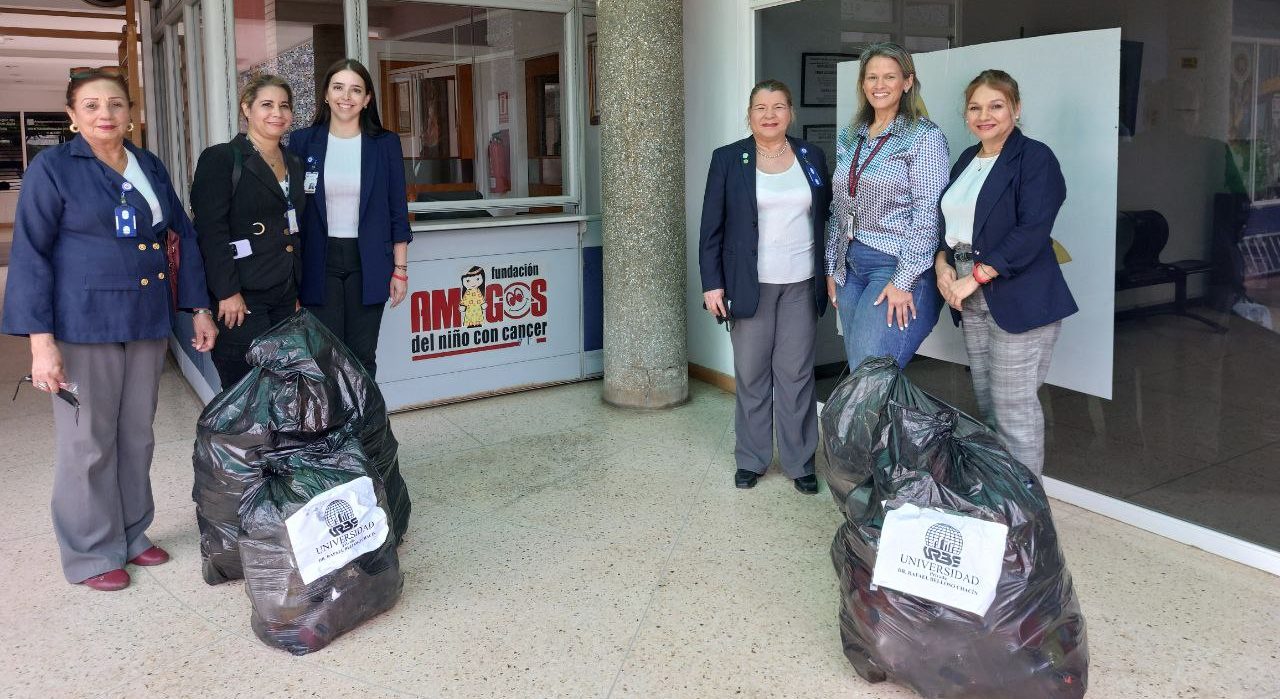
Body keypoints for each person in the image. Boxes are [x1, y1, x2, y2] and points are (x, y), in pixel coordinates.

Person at [1, 69, 218, 591]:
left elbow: (179, 236)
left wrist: (197, 308)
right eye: (92, 105)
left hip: (143, 319)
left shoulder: (147, 163)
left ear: (130, 112)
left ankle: (131, 532)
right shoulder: (54, 169)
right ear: (72, 116)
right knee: (88, 442)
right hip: (82, 325)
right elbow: (31, 254)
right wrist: (41, 342)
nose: (106, 114)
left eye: (116, 104)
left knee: (135, 435)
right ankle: (91, 552)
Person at [934, 69, 1076, 477]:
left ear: (1015, 108)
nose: (985, 115)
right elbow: (955, 227)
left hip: (1018, 295)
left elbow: (1032, 232)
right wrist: (943, 265)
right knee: (989, 404)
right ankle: (1001, 496)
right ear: (966, 114)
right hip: (969, 293)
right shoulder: (967, 158)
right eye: (975, 107)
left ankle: (1027, 515)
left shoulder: (1035, 158)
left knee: (1014, 409)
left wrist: (973, 276)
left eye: (996, 106)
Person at [699, 79, 832, 494]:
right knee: (752, 374)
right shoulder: (728, 159)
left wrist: (831, 271)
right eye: (761, 107)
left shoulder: (811, 155)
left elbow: (827, 218)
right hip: (748, 284)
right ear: (750, 114)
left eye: (778, 106)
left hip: (800, 282)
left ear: (790, 112)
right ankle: (752, 459)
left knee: (795, 375)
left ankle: (799, 461)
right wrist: (712, 284)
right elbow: (711, 228)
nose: (770, 114)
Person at [825, 42, 949, 369]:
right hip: (850, 267)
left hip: (895, 265)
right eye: (871, 77)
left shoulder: (924, 136)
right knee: (861, 374)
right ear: (863, 84)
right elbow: (838, 206)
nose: (879, 85)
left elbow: (929, 216)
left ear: (907, 82)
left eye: (889, 77)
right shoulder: (852, 135)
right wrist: (831, 266)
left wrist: (903, 279)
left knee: (870, 376)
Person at [286, 59, 412, 377]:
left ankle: (363, 427)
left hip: (368, 260)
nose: (347, 96)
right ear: (326, 95)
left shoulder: (384, 144)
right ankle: (332, 426)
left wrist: (400, 270)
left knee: (362, 355)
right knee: (325, 355)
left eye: (356, 89)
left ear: (367, 99)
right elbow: (292, 208)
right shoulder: (303, 142)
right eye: (338, 87)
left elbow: (397, 209)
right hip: (319, 260)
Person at [192, 74, 305, 387]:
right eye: (266, 104)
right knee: (246, 390)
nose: (277, 113)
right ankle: (247, 440)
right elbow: (211, 232)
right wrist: (226, 292)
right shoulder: (222, 158)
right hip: (241, 298)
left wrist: (295, 288)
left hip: (284, 294)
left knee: (282, 387)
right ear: (247, 108)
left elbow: (295, 228)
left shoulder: (294, 162)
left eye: (284, 106)